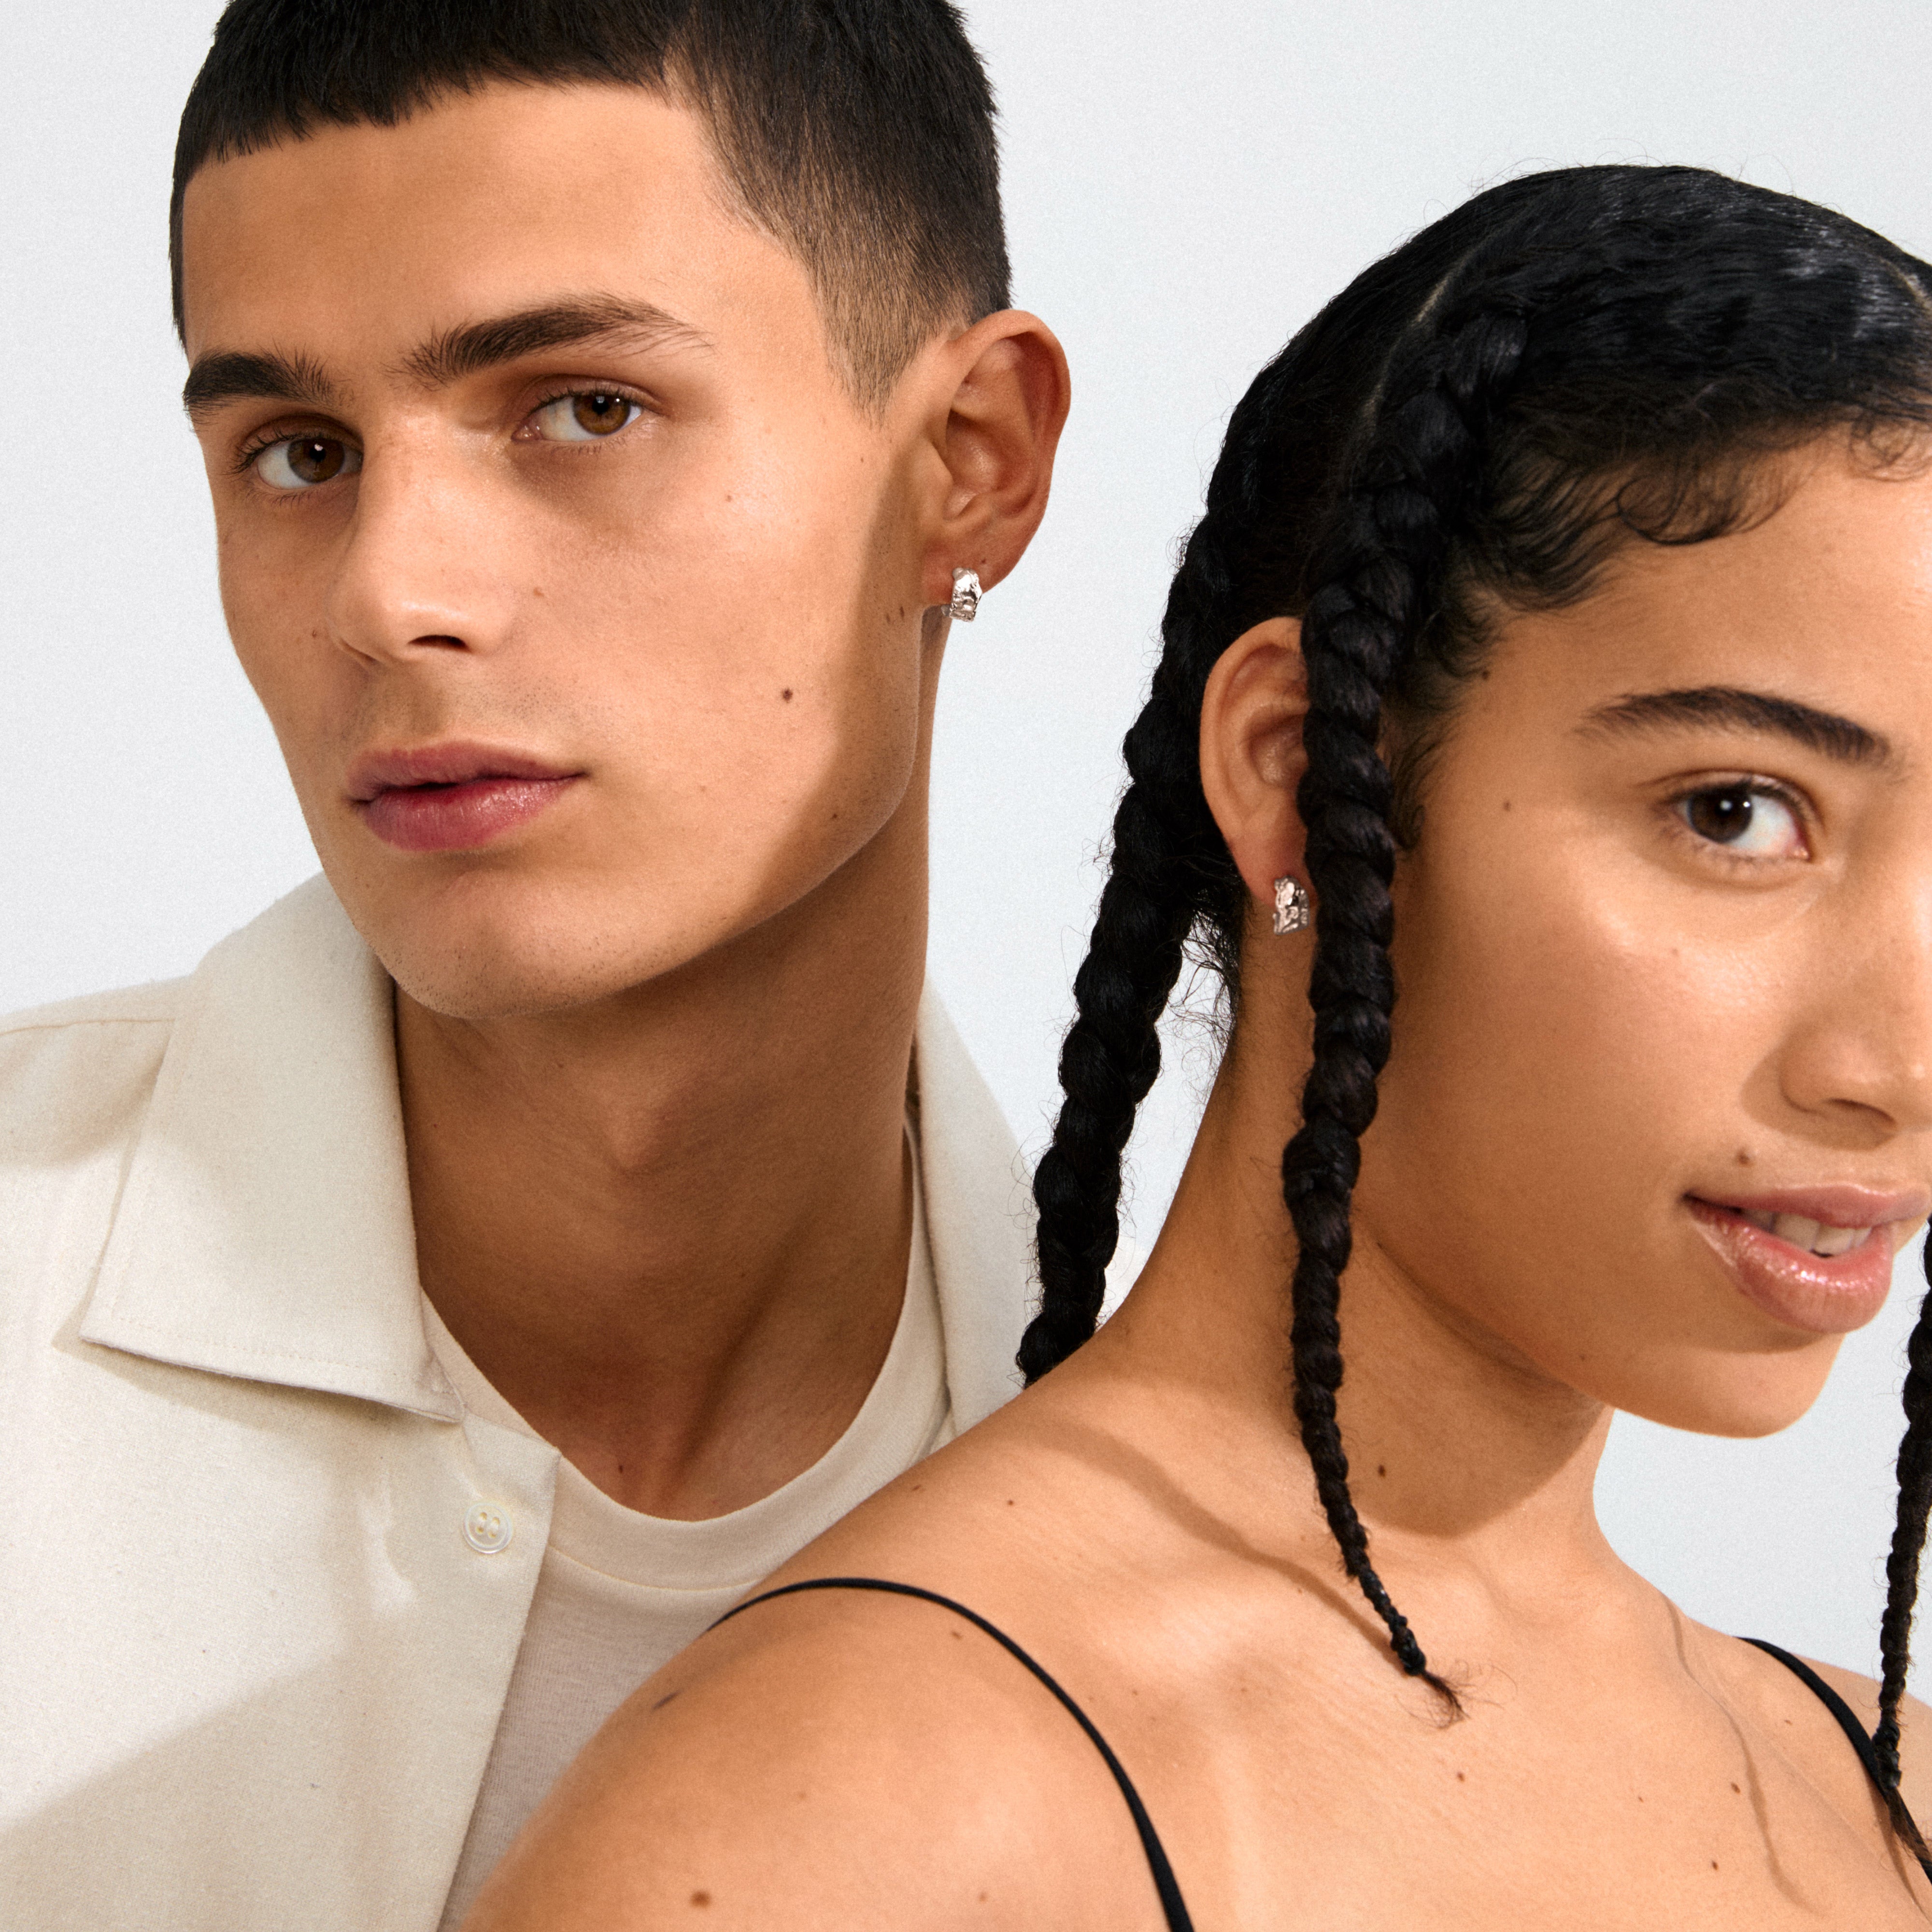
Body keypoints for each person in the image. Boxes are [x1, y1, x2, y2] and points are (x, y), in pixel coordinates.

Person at [469, 164, 1932, 1930]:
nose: (1900, 1064)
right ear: (1304, 775)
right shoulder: (838, 1833)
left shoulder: (1883, 1793)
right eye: (1737, 812)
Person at [0, 3, 1071, 1928]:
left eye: (583, 410)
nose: (390, 593)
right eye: (298, 452)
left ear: (968, 464)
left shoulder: (1190, 1540)